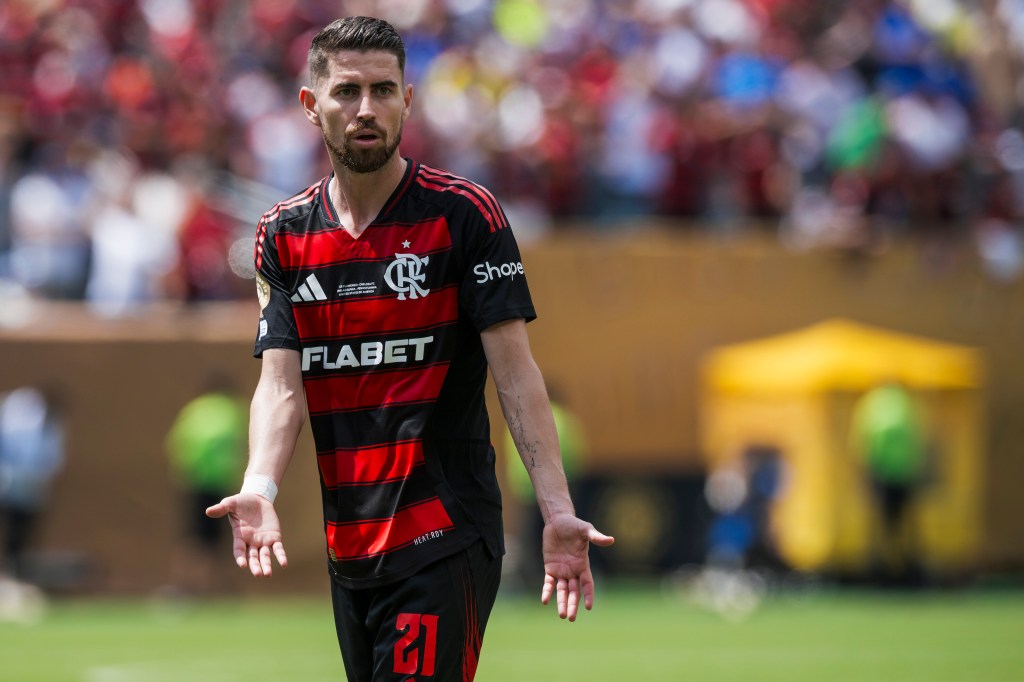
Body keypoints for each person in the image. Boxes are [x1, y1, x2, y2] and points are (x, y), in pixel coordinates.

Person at [206, 16, 614, 681]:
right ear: (311, 105)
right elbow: (281, 384)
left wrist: (557, 509)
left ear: (408, 100)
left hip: (444, 531)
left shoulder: (465, 214)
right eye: (347, 91)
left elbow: (515, 375)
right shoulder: (282, 234)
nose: (366, 108)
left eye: (383, 90)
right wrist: (259, 484)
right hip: (350, 544)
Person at [165, 376, 246, 594]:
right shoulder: (232, 410)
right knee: (224, 535)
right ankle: (221, 586)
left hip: (195, 480)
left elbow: (178, 442)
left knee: (194, 536)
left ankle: (190, 584)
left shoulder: (195, 409)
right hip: (222, 482)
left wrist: (184, 471)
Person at [849, 379, 928, 585]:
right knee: (906, 525)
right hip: (905, 473)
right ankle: (907, 568)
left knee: (880, 525)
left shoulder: (870, 403)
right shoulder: (907, 402)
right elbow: (918, 438)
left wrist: (863, 471)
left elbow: (862, 440)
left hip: (880, 473)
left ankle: (879, 569)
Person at [0, 386, 65, 581]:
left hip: (28, 492)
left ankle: (13, 575)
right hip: (8, 486)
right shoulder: (16, 423)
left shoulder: (49, 428)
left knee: (20, 535)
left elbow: (52, 460)